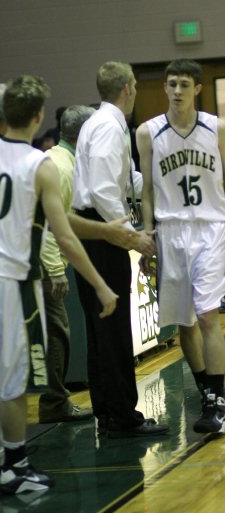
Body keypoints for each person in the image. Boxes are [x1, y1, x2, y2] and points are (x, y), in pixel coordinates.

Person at [0, 75, 118, 495]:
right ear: (37, 118)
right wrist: (101, 284)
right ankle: (14, 465)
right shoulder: (40, 164)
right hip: (13, 283)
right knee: (12, 385)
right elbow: (65, 233)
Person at [136, 59, 225, 435]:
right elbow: (149, 189)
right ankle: (204, 389)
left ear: (197, 88)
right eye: (171, 84)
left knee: (207, 316)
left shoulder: (216, 127)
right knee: (184, 322)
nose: (176, 91)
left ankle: (217, 403)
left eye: (184, 84)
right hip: (170, 231)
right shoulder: (147, 132)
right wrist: (148, 232)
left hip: (208, 229)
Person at [39, 105, 154, 424]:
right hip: (48, 265)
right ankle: (55, 401)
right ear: (84, 135)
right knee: (58, 335)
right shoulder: (60, 167)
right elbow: (52, 224)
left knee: (74, 334)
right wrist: (55, 267)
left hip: (66, 257)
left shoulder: (70, 162)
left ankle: (73, 404)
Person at [72, 61, 168, 438]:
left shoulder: (97, 124)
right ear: (129, 87)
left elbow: (122, 180)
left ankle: (109, 413)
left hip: (94, 229)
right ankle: (122, 415)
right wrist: (130, 235)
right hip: (103, 231)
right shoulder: (110, 128)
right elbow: (104, 190)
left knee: (102, 327)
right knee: (111, 327)